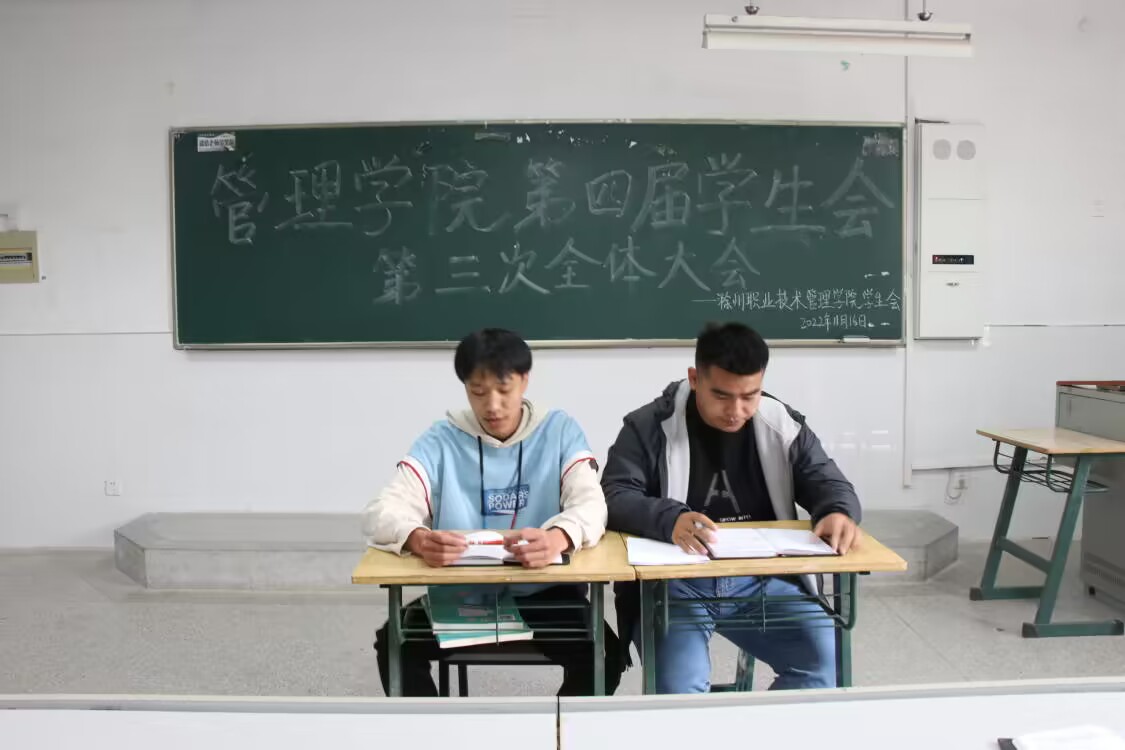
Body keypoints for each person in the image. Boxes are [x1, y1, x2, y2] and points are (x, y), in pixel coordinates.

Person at [600, 321, 862, 694]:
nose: (736, 410)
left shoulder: (780, 423)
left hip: (763, 579)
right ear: (694, 379)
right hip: (676, 587)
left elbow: (829, 482)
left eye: (749, 396)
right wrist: (670, 519)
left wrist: (837, 510)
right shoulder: (650, 426)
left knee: (828, 665)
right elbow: (613, 494)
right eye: (721, 396)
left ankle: (754, 727)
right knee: (678, 692)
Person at [362, 327, 623, 696]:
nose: (493, 406)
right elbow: (381, 511)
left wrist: (557, 538)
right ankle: (434, 728)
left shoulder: (559, 431)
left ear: (524, 380)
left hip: (546, 595)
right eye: (478, 392)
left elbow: (592, 505)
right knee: (395, 643)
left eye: (504, 390)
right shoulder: (441, 440)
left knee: (605, 654)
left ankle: (557, 728)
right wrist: (418, 538)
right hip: (462, 595)